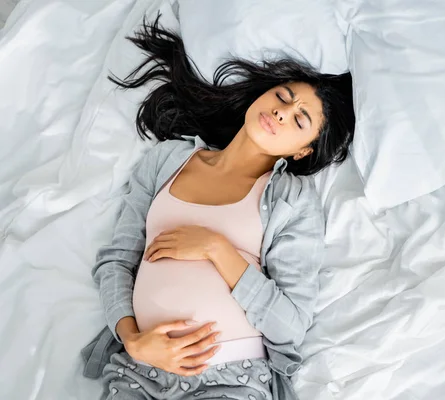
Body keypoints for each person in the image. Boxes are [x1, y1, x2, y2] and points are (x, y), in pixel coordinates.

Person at [80, 14, 355, 400]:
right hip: (140, 369)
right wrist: (133, 340)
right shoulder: (166, 160)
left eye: (300, 119)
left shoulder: (290, 200)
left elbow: (288, 325)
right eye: (282, 97)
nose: (281, 112)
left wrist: (216, 249)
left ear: (302, 150)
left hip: (231, 378)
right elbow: (117, 261)